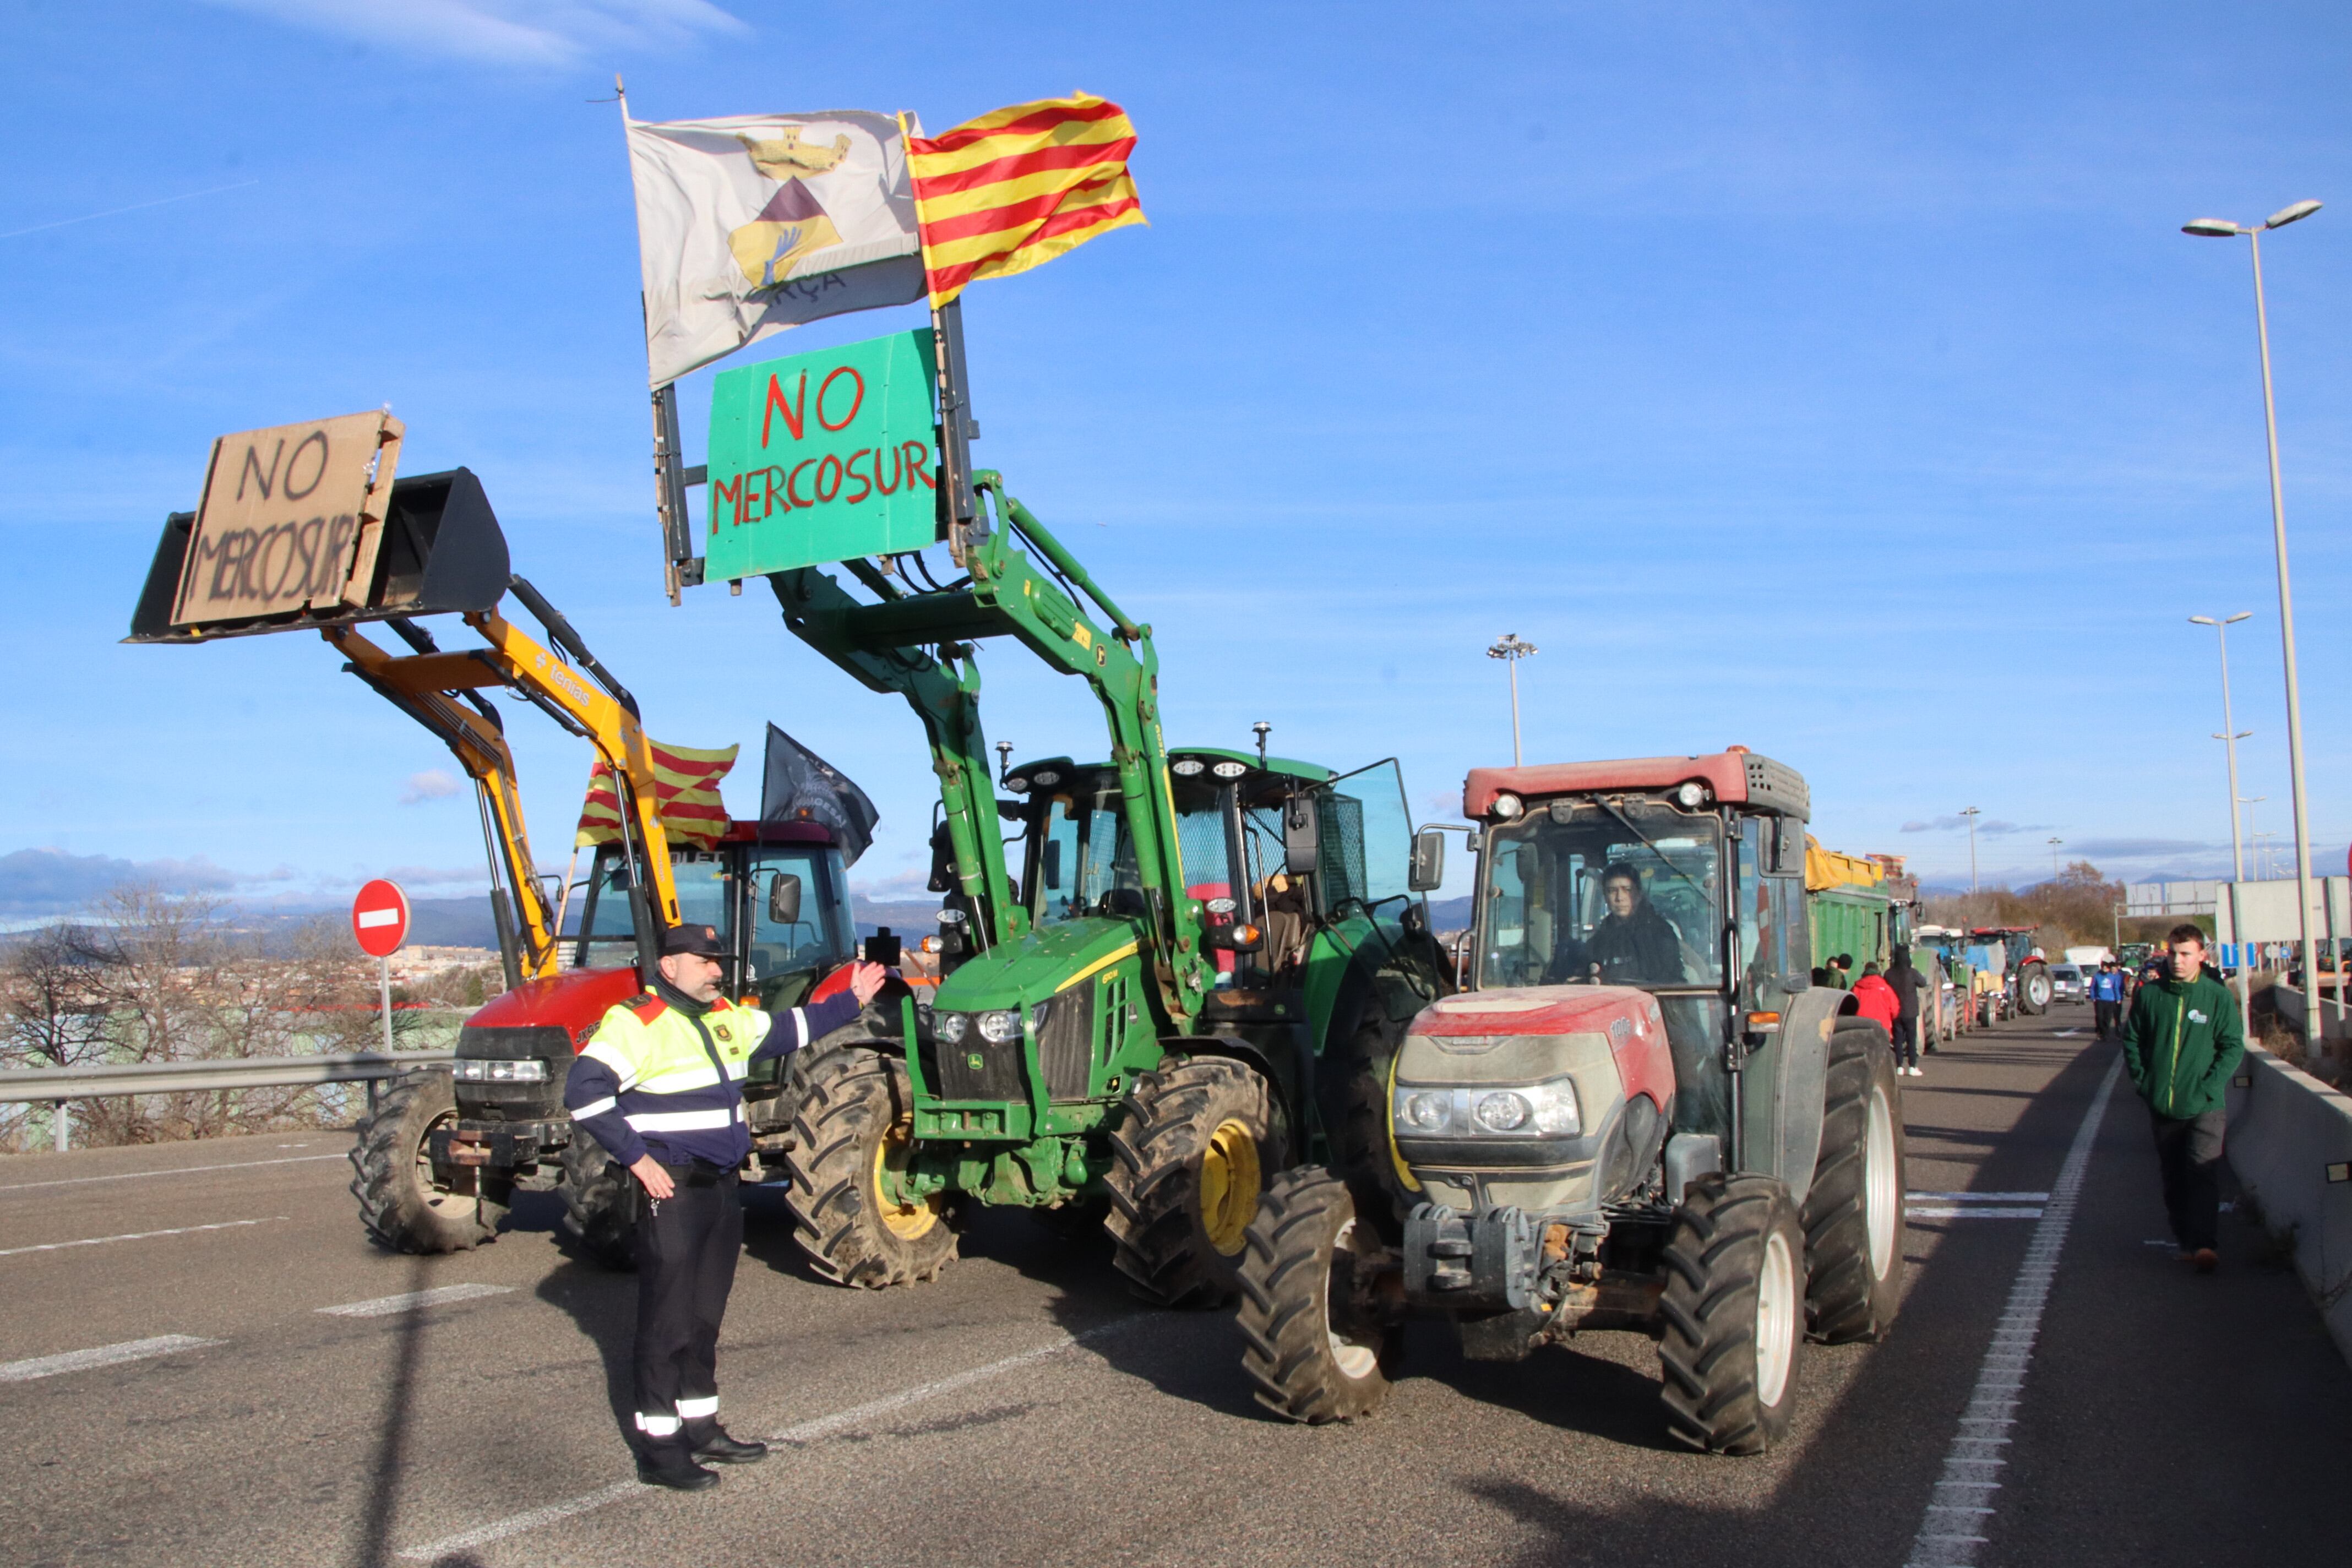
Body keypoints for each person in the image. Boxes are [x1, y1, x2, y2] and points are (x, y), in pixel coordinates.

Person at [565, 923, 888, 1490]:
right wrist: (638, 1160)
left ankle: (701, 1425)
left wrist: (852, 1000)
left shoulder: (723, 1016)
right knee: (666, 1322)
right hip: (674, 1188)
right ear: (669, 966)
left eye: (719, 961)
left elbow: (792, 1027)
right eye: (704, 961)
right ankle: (661, 1450)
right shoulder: (637, 1022)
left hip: (720, 1188)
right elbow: (584, 1090)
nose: (717, 970)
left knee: (703, 1317)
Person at [2119, 924, 2245, 1275]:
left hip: (2205, 1105)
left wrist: (2210, 1086)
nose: (2178, 960)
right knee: (2174, 1177)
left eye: (2186, 953)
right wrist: (2145, 1082)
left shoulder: (2215, 997)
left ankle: (2206, 1244)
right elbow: (2132, 1041)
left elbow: (2233, 1045)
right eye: (2173, 953)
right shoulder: (2151, 995)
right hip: (2163, 1105)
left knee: (2202, 1172)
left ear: (2201, 956)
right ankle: (2187, 1241)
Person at [1588, 863, 1684, 984]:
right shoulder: (1600, 940)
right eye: (1612, 891)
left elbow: (1671, 979)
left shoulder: (1660, 933)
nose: (1619, 898)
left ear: (1638, 895)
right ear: (1606, 897)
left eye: (1627, 890)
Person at [1885, 947, 1928, 1076]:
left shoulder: (1889, 974)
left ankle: (1899, 1066)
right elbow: (1923, 983)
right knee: (1911, 1039)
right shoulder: (1912, 973)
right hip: (1910, 1011)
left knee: (1898, 1039)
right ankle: (1913, 1066)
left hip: (1896, 1011)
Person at [1850, 960, 1901, 1037]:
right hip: (1882, 1027)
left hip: (1860, 1028)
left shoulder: (1856, 989)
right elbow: (1895, 1010)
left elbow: (1848, 1009)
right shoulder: (1886, 988)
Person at [2091, 958, 2127, 1041]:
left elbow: (2116, 988)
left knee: (2107, 1018)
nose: (2105, 968)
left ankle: (2105, 1034)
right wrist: (2093, 997)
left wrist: (2118, 998)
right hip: (2100, 1000)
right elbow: (2093, 987)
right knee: (2100, 1017)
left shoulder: (2112, 977)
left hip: (2111, 1000)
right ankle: (2101, 1031)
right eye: (2103, 967)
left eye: (2106, 967)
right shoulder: (2097, 976)